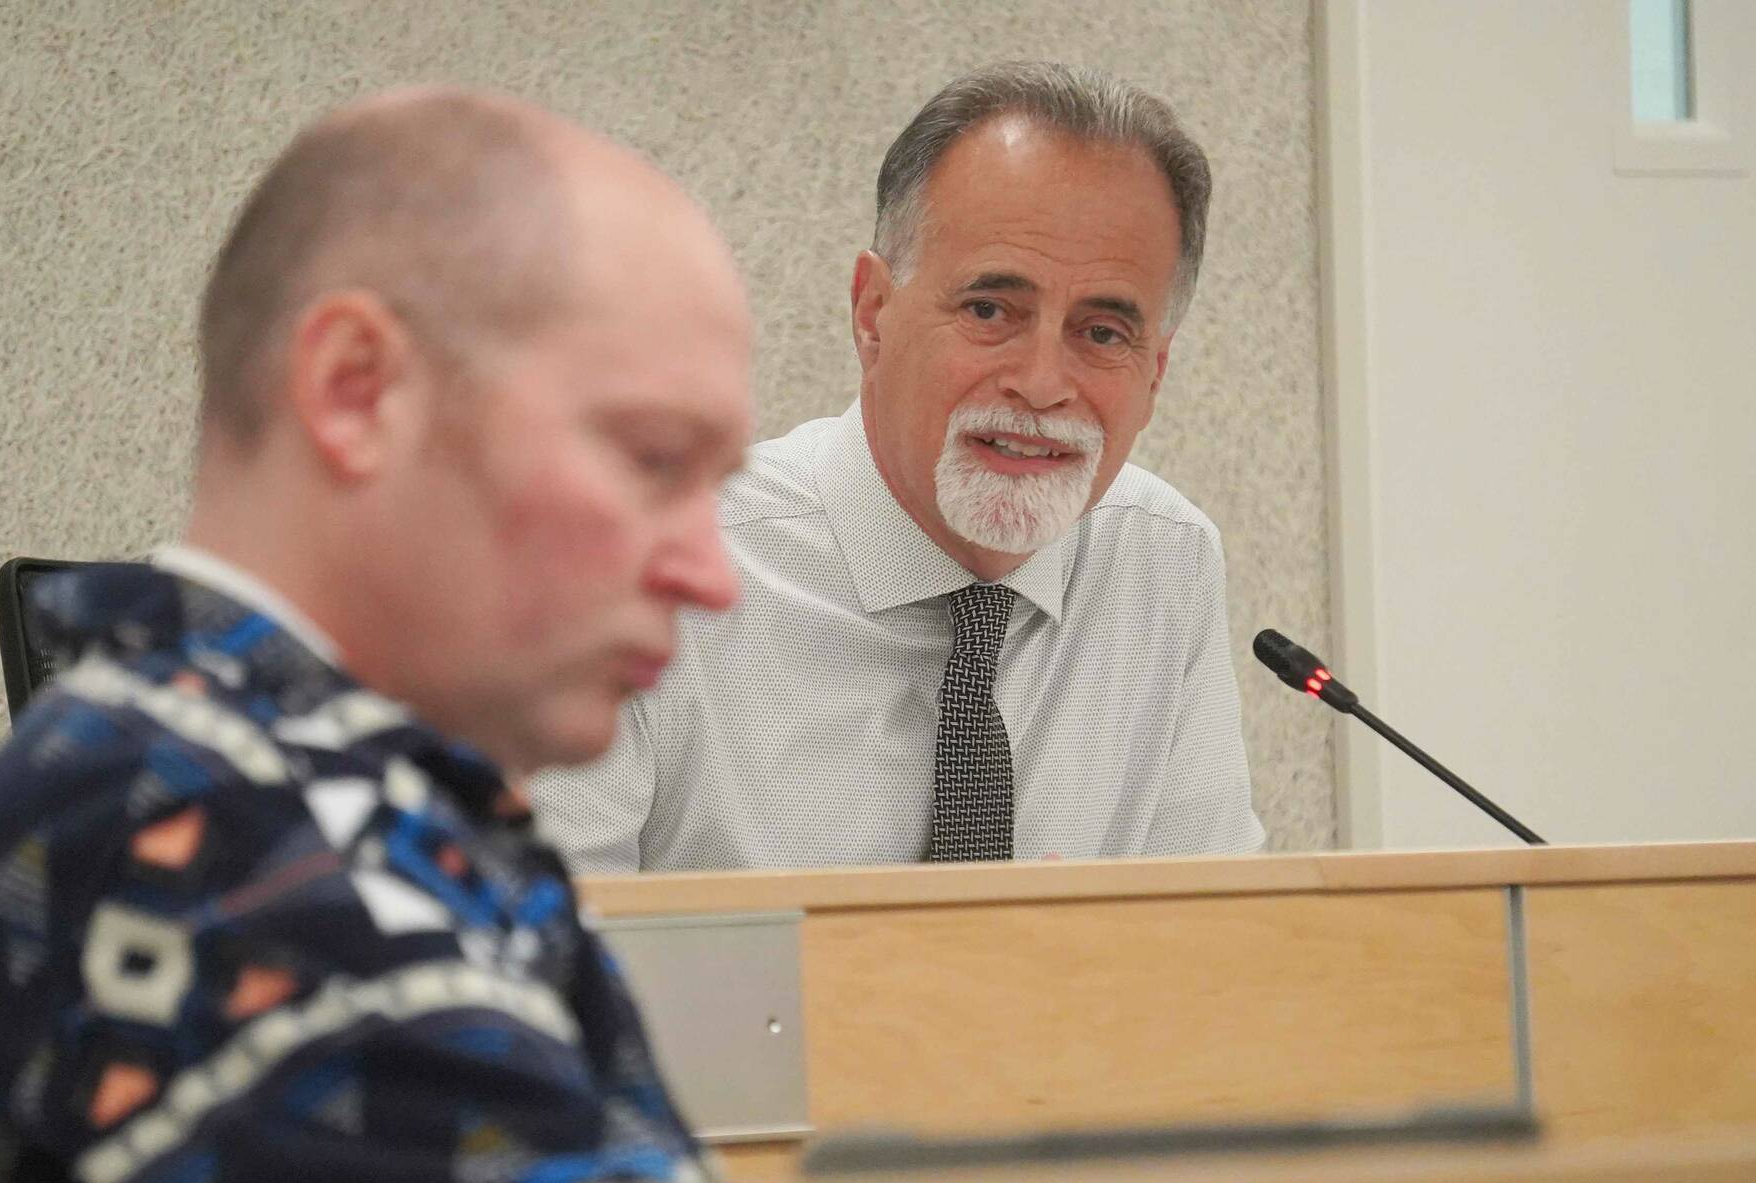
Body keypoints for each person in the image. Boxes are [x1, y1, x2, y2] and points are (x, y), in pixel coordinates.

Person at [0, 88, 752, 1183]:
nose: (710, 575)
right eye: (653, 459)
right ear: (356, 391)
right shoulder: (218, 843)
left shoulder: (295, 787)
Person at [534, 62, 1263, 873]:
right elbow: (542, 967)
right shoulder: (643, 570)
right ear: (872, 313)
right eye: (991, 311)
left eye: (1101, 333)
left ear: (1153, 373)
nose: (1043, 383)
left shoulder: (1162, 560)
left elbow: (1213, 940)